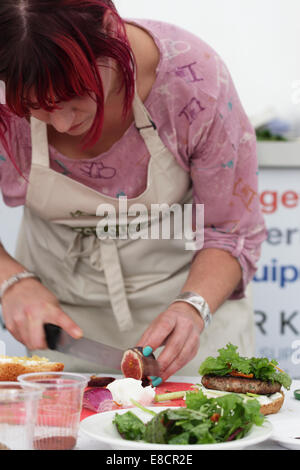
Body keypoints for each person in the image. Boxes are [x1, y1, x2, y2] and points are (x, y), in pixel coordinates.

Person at [0, 0, 266, 383]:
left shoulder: (193, 84)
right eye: (34, 107)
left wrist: (192, 307)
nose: (61, 122)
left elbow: (230, 231)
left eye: (75, 96)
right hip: (61, 321)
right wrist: (11, 280)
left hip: (187, 315)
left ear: (111, 28)